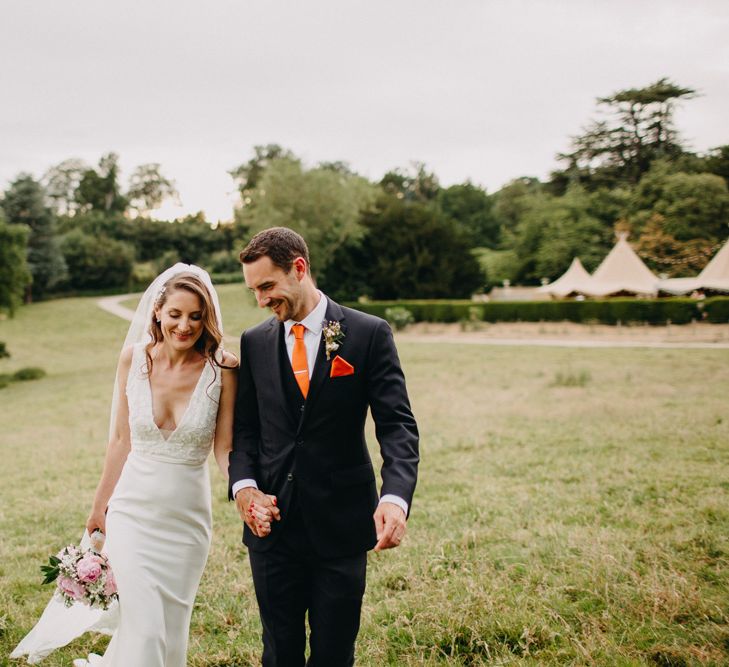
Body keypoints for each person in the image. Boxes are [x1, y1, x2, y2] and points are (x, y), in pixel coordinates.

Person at [11, 264, 245, 666]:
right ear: (157, 311)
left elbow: (223, 449)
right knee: (145, 624)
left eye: (194, 316)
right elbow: (120, 440)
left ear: (206, 318)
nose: (184, 326)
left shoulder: (222, 369)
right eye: (175, 314)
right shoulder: (132, 360)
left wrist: (244, 489)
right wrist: (99, 506)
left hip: (187, 523)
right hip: (132, 511)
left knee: (171, 627)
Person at [229, 227, 420, 666]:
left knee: (335, 652)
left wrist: (395, 498)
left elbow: (397, 427)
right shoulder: (255, 342)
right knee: (279, 650)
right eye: (253, 290)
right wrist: (244, 488)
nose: (261, 299)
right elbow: (245, 433)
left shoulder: (368, 334)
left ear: (299, 268)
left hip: (342, 523)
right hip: (272, 529)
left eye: (267, 286)